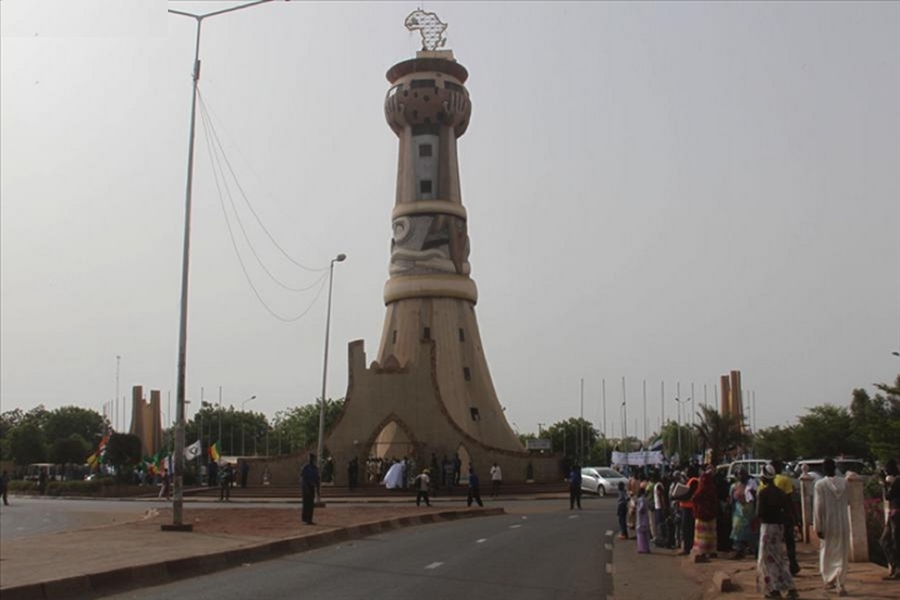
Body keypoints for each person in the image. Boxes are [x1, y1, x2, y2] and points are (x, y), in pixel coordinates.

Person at [757, 465, 798, 599]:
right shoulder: (780, 493)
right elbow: (787, 511)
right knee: (779, 558)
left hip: (767, 527)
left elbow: (759, 512)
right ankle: (789, 587)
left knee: (767, 560)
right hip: (778, 528)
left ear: (764, 477)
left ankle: (773, 589)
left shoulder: (763, 493)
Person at [814, 457, 850, 595]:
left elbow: (818, 507)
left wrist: (818, 526)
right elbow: (850, 501)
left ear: (823, 469)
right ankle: (840, 582)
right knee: (842, 552)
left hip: (828, 523)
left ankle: (829, 579)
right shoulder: (845, 483)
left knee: (827, 551)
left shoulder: (820, 485)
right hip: (842, 522)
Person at [771, 460, 800, 575]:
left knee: (775, 543)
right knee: (789, 541)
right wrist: (794, 516)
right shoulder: (785, 480)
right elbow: (789, 499)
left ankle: (776, 567)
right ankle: (792, 565)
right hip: (784, 514)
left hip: (772, 516)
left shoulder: (766, 481)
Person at [880, 458, 900, 580]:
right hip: (893, 514)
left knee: (894, 541)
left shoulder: (897, 481)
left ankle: (897, 568)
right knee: (886, 541)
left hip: (897, 514)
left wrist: (885, 484)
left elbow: (888, 496)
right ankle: (895, 566)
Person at [692, 467, 718, 559]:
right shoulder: (712, 488)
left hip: (701, 514)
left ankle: (702, 551)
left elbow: (695, 499)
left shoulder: (701, 489)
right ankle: (711, 551)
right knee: (711, 534)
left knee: (702, 534)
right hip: (711, 514)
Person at [730, 469, 753, 559]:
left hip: (748, 511)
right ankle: (740, 550)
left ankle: (751, 549)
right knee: (737, 530)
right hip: (739, 511)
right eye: (740, 474)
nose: (741, 476)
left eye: (743, 474)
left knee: (749, 530)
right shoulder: (734, 486)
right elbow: (731, 499)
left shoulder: (751, 485)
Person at [300, 454, 320, 525]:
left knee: (311, 504)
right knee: (306, 504)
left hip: (311, 487)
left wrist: (318, 491)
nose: (311, 460)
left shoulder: (315, 468)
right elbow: (303, 479)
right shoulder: (305, 468)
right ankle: (305, 519)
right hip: (306, 488)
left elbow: (317, 480)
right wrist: (306, 488)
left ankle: (309, 519)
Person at [636, 487, 651, 553]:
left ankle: (642, 549)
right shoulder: (646, 499)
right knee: (646, 535)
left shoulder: (641, 499)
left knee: (641, 535)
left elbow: (641, 507)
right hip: (646, 519)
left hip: (641, 519)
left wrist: (639, 510)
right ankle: (647, 548)